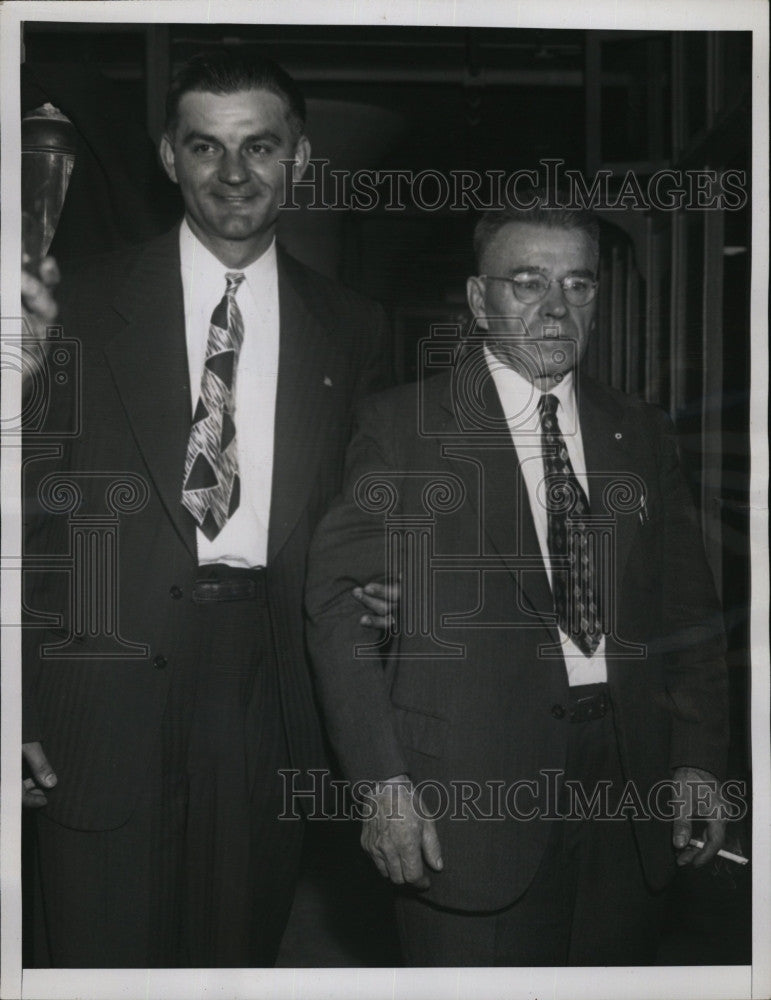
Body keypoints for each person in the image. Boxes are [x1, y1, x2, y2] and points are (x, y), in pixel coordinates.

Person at [22, 49, 391, 968]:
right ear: (167, 157)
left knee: (232, 959)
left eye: (259, 146)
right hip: (93, 691)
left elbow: (362, 514)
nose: (233, 173)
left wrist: (387, 586)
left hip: (266, 698)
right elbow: (17, 515)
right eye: (205, 147)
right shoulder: (70, 308)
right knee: (92, 961)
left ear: (298, 159)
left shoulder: (353, 326)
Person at [304, 197, 730, 966]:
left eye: (578, 285)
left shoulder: (640, 431)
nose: (555, 308)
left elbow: (688, 611)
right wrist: (381, 783)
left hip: (629, 792)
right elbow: (340, 615)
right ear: (477, 298)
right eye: (527, 282)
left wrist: (699, 758)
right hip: (467, 797)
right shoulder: (402, 427)